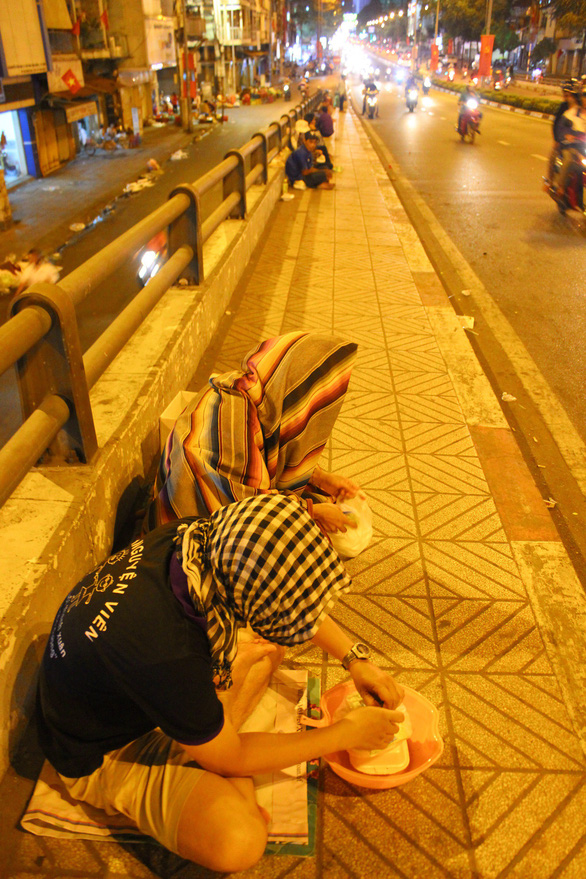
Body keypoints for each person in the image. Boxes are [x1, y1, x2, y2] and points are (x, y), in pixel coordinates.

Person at [36, 493, 404, 872]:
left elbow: (287, 594)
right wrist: (344, 734)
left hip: (134, 689)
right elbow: (233, 757)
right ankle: (207, 752)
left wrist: (355, 660)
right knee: (240, 840)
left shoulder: (196, 538)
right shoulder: (167, 650)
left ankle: (208, 742)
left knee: (269, 645)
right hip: (104, 752)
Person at [151, 333, 356, 534]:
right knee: (306, 537)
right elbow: (250, 509)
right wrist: (313, 512)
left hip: (221, 500)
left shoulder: (246, 388)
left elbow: (271, 449)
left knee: (319, 503)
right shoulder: (234, 421)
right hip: (187, 530)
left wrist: (319, 478)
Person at [553, 83, 585, 199]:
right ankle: (561, 186)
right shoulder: (570, 113)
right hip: (572, 147)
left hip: (583, 147)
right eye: (584, 96)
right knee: (568, 160)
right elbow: (560, 129)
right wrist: (566, 136)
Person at [545, 81, 578, 188]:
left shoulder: (581, 109)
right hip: (566, 141)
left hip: (580, 142)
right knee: (555, 156)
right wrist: (557, 140)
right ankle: (552, 182)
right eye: (565, 94)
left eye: (568, 95)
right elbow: (556, 125)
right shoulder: (563, 108)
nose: (566, 97)